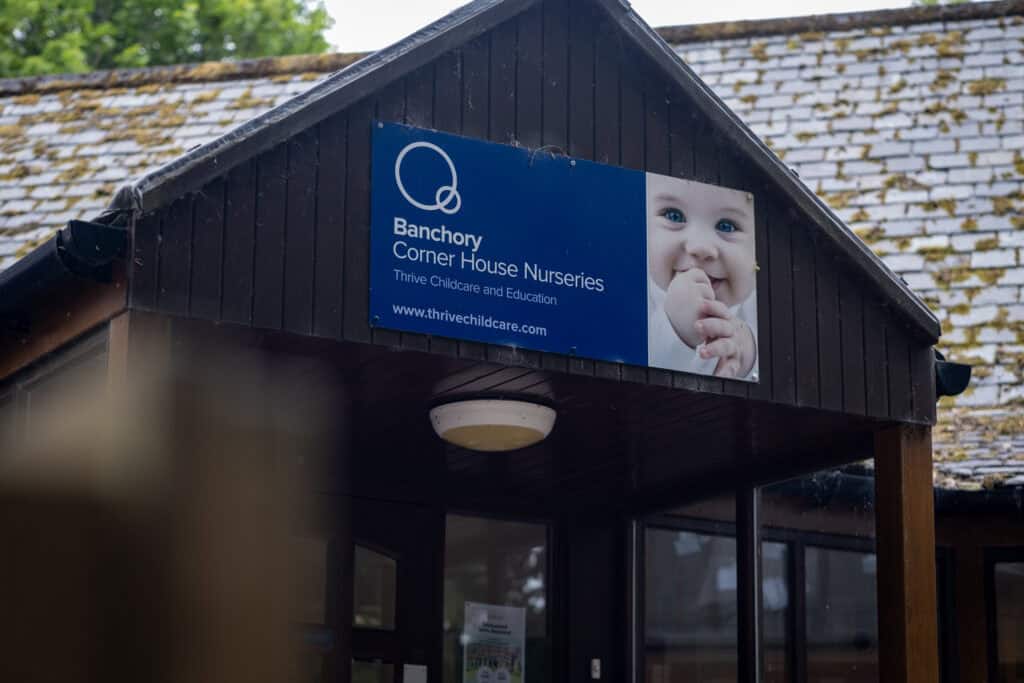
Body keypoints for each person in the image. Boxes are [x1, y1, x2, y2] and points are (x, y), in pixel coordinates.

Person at [646, 172, 758, 380]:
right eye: (673, 215)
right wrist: (674, 329)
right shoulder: (634, 295)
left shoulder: (762, 306)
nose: (700, 246)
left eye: (726, 226)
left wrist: (749, 353)